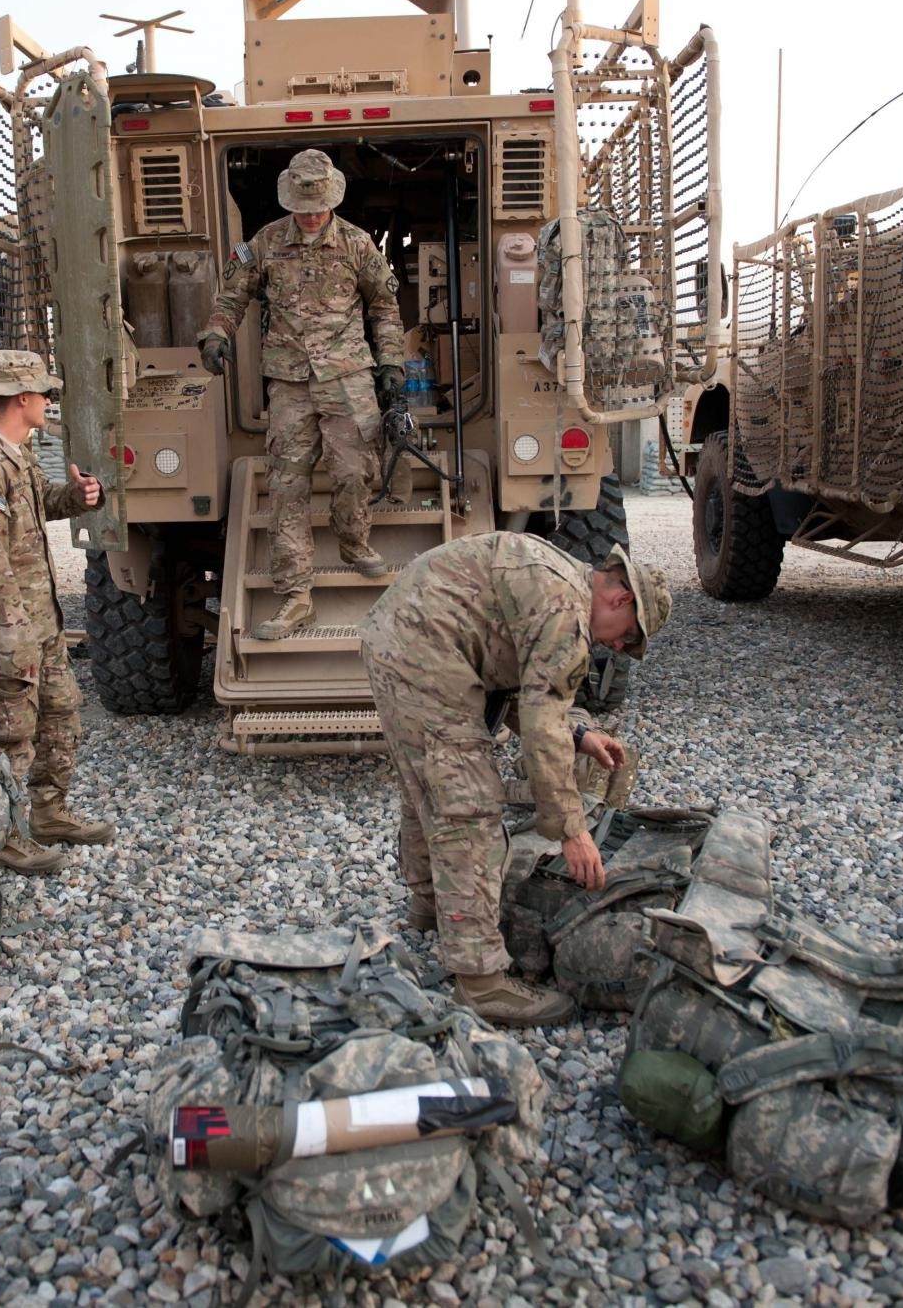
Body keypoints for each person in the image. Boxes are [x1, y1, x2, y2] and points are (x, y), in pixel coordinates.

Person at [359, 532, 671, 1027]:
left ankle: (432, 906)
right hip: (425, 653)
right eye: (627, 635)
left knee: (429, 782)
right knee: (467, 804)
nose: (616, 645)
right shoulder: (566, 613)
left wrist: (581, 735)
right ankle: (481, 983)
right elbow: (541, 724)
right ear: (621, 597)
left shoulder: (560, 578)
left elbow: (528, 692)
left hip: (399, 637)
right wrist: (572, 830)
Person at [198, 149, 405, 640]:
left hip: (348, 376)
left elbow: (385, 309)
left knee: (356, 470)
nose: (310, 215)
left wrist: (392, 360)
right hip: (289, 382)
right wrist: (217, 332)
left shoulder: (357, 245)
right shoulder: (266, 242)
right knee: (286, 485)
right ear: (290, 202)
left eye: (317, 207)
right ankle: (295, 598)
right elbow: (233, 296)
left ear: (331, 200)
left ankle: (353, 540)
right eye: (302, 207)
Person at [0, 350, 114, 875]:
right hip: (5, 637)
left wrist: (80, 496)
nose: (48, 401)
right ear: (22, 398)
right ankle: (4, 835)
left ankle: (46, 813)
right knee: (9, 738)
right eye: (44, 392)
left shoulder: (18, 457)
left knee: (61, 716)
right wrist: (14, 645)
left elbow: (46, 502)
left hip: (40, 626)